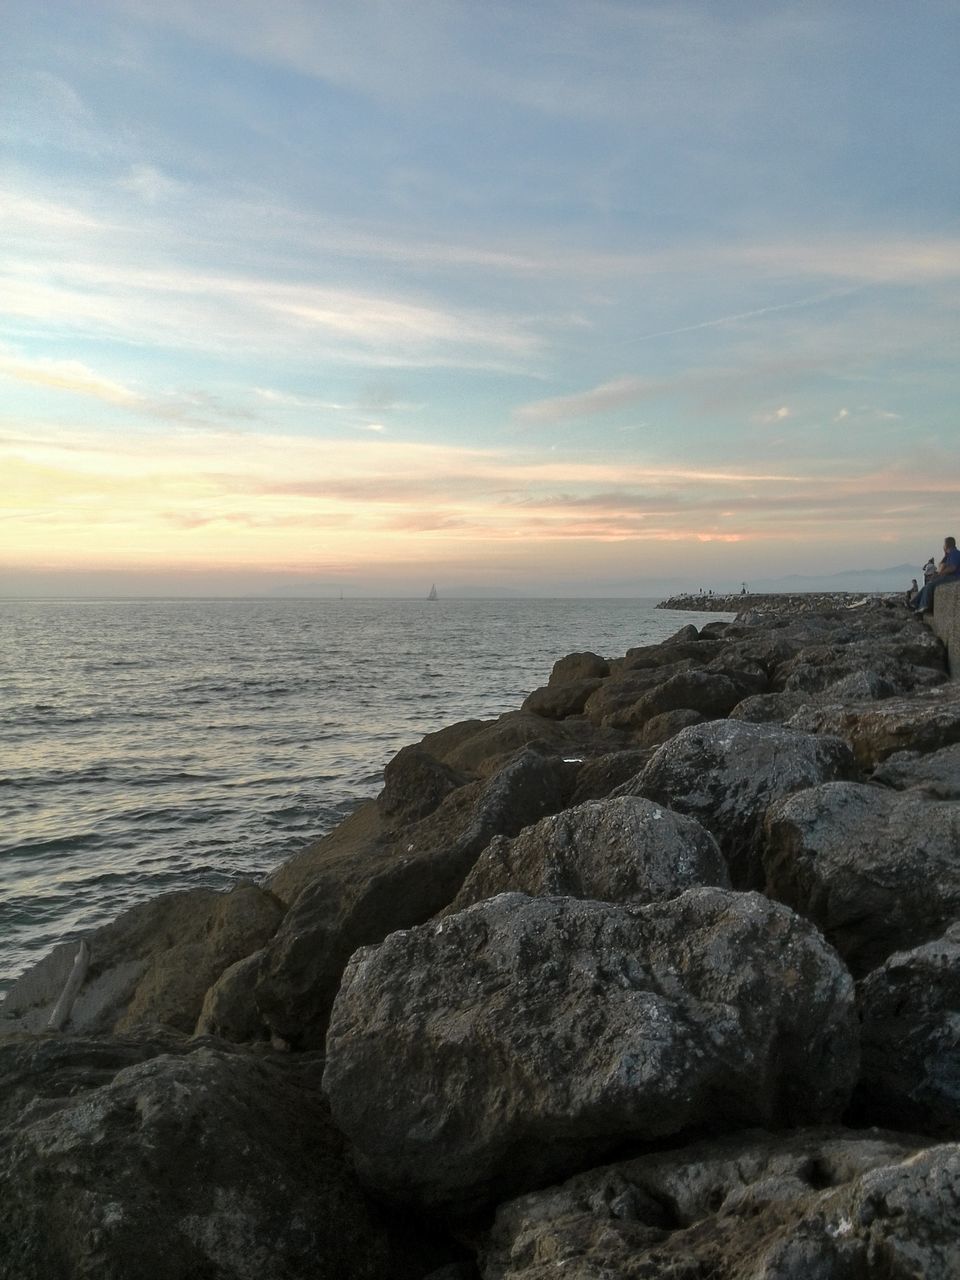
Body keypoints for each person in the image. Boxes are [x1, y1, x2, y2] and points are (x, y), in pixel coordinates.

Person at [912, 538, 960, 615]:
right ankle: (914, 603)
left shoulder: (955, 553)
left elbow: (952, 568)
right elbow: (941, 566)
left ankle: (924, 606)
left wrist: (940, 574)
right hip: (950, 576)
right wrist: (945, 556)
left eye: (944, 544)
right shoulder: (950, 555)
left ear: (946, 545)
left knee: (930, 585)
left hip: (955, 577)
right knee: (928, 585)